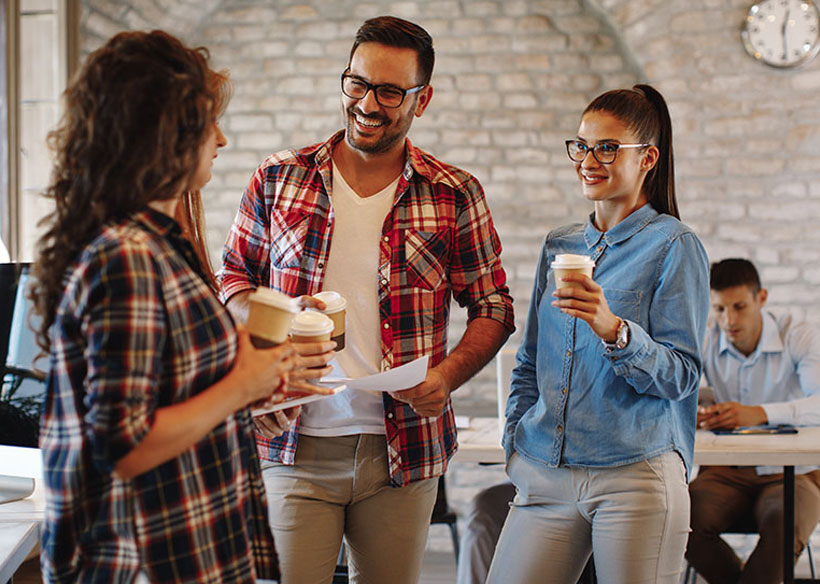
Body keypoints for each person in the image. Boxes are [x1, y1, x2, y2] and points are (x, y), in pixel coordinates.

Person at [220, 15, 515, 584]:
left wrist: (448, 376)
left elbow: (494, 305)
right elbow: (232, 277)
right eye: (357, 83)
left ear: (421, 100)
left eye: (389, 91)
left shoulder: (454, 194)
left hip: (402, 452)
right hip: (289, 440)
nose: (367, 103)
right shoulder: (278, 178)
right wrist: (274, 315)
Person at [31, 30, 332, 583]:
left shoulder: (163, 245)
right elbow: (124, 444)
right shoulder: (126, 257)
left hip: (191, 544)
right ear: (161, 133)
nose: (220, 138)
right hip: (143, 559)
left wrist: (254, 404)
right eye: (204, 122)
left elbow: (176, 396)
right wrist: (242, 386)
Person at [486, 84, 710, 584]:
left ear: (648, 158)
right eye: (582, 145)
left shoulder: (674, 245)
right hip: (545, 472)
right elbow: (531, 360)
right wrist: (515, 444)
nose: (589, 159)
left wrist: (615, 331)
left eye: (608, 147)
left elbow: (684, 376)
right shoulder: (559, 244)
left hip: (636, 476)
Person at [686, 258, 820, 584]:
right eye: (718, 309)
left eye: (739, 306)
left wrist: (759, 413)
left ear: (762, 298)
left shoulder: (798, 337)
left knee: (783, 522)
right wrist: (698, 410)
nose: (728, 319)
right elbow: (677, 394)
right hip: (725, 474)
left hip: (793, 475)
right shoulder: (704, 341)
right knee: (674, 516)